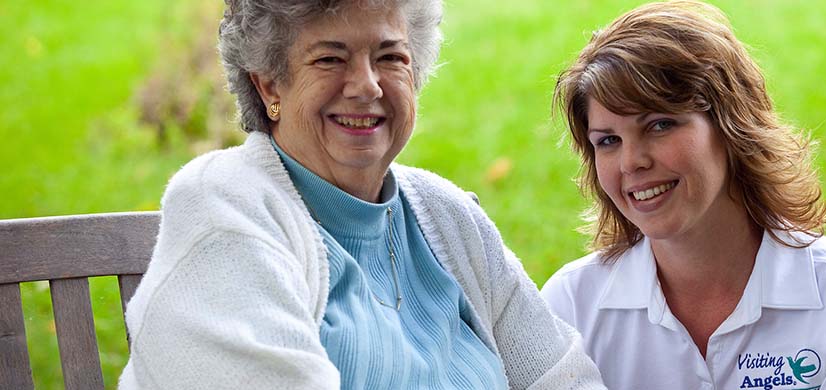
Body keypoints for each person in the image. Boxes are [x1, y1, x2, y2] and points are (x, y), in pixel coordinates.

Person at [118, 0, 604, 388]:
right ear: (269, 86)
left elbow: (563, 376)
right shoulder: (223, 207)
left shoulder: (445, 214)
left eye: (390, 57)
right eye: (330, 58)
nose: (367, 85)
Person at [542, 1, 826, 388]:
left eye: (659, 125)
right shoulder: (571, 306)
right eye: (608, 141)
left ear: (731, 124)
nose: (631, 162)